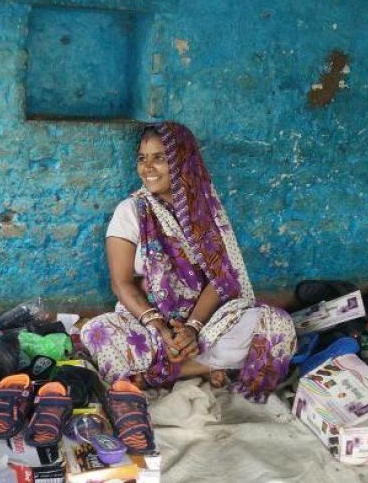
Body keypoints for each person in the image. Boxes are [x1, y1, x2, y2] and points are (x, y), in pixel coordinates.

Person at [80, 121, 297, 403]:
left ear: (183, 161)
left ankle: (171, 371)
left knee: (278, 325)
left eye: (160, 158)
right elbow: (121, 283)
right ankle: (204, 367)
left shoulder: (207, 211)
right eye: (142, 159)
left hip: (206, 323)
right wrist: (161, 327)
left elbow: (220, 278)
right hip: (151, 324)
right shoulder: (131, 211)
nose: (148, 168)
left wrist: (192, 329)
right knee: (97, 333)